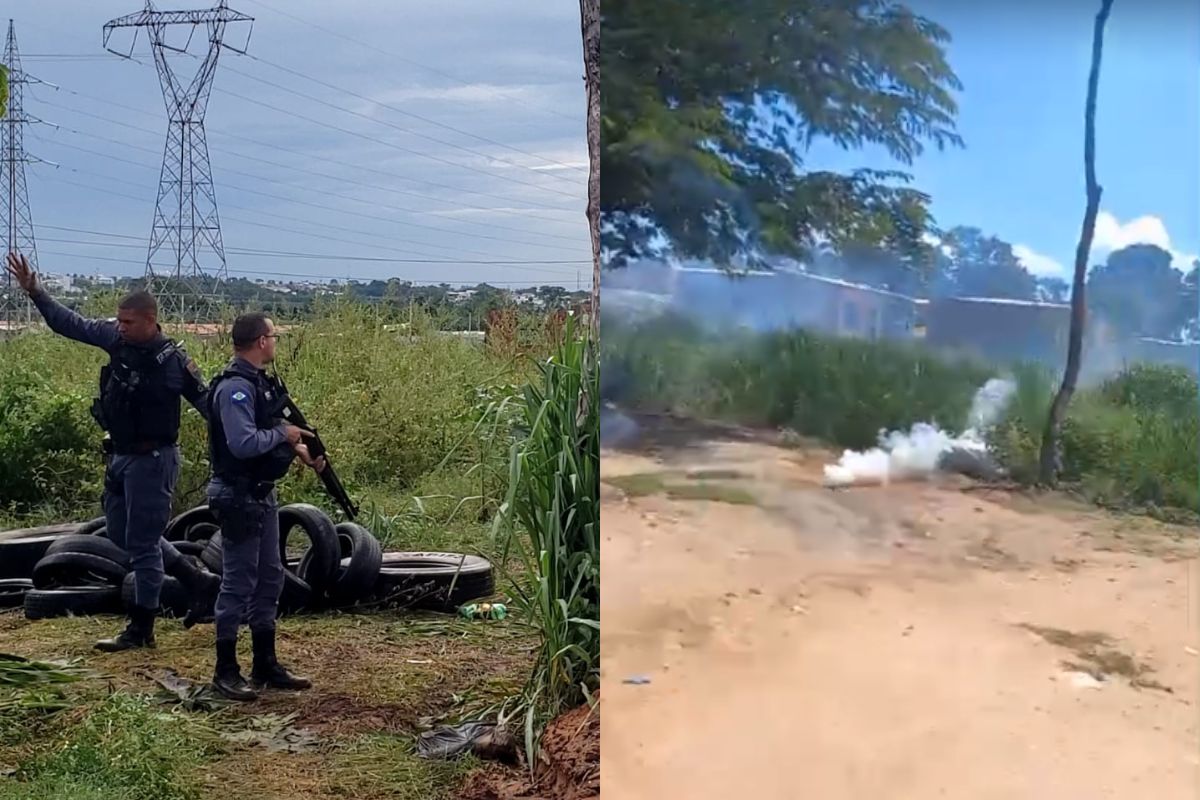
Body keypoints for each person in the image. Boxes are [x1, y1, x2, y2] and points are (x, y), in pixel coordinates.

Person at [4, 251, 221, 650]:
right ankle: (198, 581)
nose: (119, 328)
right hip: (119, 457)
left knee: (142, 543)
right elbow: (68, 323)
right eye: (117, 321)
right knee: (123, 534)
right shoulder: (115, 340)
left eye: (128, 322)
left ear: (151, 321)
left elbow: (209, 406)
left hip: (153, 459)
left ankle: (142, 629)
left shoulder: (174, 362)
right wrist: (35, 292)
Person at [206, 311, 324, 701]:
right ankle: (225, 671)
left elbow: (267, 432)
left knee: (270, 576)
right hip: (237, 494)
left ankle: (265, 662)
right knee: (239, 582)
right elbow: (242, 443)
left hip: (260, 492)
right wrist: (282, 432)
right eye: (273, 336)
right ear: (260, 341)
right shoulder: (235, 388)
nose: (275, 342)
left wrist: (298, 448)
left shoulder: (258, 384)